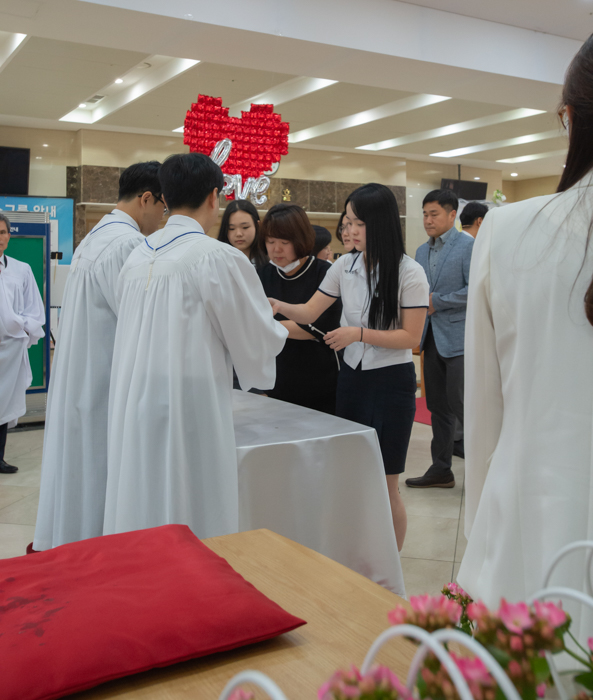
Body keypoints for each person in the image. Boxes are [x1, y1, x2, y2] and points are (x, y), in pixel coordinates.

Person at [458, 34, 593, 610]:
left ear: (570, 117)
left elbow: (485, 413)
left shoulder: (508, 230)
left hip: (535, 514)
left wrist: (479, 531)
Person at [103, 153, 287, 540]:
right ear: (214, 197)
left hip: (135, 399)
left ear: (165, 197)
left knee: (143, 494)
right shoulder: (217, 257)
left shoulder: (137, 255)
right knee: (191, 503)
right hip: (190, 404)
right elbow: (255, 338)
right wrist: (282, 330)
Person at [269, 184, 428, 550]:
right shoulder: (345, 264)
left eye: (358, 223)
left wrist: (358, 333)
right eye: (347, 221)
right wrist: (279, 304)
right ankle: (358, 554)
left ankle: (391, 570)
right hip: (352, 380)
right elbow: (310, 312)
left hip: (391, 383)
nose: (349, 230)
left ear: (381, 224)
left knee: (387, 482)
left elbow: (411, 337)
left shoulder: (410, 272)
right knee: (353, 475)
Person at [33, 162, 165, 551]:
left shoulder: (97, 235)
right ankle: (92, 552)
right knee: (95, 473)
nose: (162, 218)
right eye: (163, 207)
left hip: (81, 375)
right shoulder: (126, 244)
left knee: (77, 471)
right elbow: (137, 319)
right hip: (101, 379)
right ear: (146, 199)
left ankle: (72, 543)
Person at [406, 189, 474, 489]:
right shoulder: (421, 251)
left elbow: (476, 290)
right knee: (437, 406)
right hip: (430, 337)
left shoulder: (468, 246)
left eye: (434, 214)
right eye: (424, 214)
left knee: (463, 406)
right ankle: (441, 469)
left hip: (459, 339)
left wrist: (438, 301)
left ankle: (483, 474)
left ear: (452, 215)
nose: (427, 220)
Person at [258, 204, 342, 414]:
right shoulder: (264, 274)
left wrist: (269, 326)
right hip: (277, 380)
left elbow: (318, 326)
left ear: (300, 240)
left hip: (321, 382)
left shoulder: (325, 273)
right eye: (270, 241)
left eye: (284, 242)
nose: (276, 249)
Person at [0, 213, 45, 474]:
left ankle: (0, 457)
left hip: (11, 350)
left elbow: (34, 309)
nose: (0, 238)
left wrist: (21, 326)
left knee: (4, 404)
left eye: (3, 232)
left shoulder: (21, 269)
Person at [217, 199, 267, 269]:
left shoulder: (270, 263)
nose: (238, 234)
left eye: (245, 227)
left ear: (257, 226)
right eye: (232, 228)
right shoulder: (217, 263)